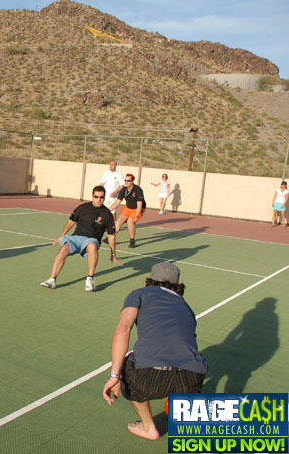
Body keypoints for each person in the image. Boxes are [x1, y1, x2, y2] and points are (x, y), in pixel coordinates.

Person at [102, 262, 207, 441]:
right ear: (177, 285)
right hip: (193, 376)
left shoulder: (139, 294)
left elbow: (123, 329)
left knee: (127, 366)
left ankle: (149, 427)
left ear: (151, 280)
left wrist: (115, 375)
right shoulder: (186, 306)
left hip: (149, 375)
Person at [40, 185, 123, 291]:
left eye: (101, 197)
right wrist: (62, 235)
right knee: (64, 249)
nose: (98, 199)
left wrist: (113, 254)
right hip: (76, 238)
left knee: (93, 246)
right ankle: (52, 280)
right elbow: (71, 221)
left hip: (91, 240)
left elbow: (111, 236)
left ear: (104, 197)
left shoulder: (107, 214)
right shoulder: (83, 207)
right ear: (92, 196)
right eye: (96, 196)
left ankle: (89, 279)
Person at [109, 174, 145, 248]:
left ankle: (132, 240)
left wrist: (137, 214)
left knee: (130, 221)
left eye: (128, 180)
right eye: (125, 180)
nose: (126, 182)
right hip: (128, 207)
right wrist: (108, 209)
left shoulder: (138, 190)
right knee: (119, 221)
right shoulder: (124, 189)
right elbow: (117, 202)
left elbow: (139, 204)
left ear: (132, 181)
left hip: (137, 208)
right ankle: (112, 237)